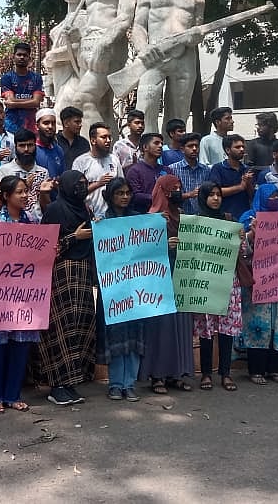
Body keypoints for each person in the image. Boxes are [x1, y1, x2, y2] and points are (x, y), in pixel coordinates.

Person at [0, 176, 42, 412]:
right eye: (19, 192)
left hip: (24, 293)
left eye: (26, 191)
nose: (24, 196)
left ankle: (12, 395)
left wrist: (49, 253)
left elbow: (39, 256)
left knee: (20, 345)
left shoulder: (33, 222)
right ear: (6, 196)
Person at [129, 0, 206, 129]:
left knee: (179, 113)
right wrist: (143, 48)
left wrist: (196, 37)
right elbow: (138, 26)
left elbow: (197, 31)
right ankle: (147, 144)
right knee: (146, 106)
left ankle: (174, 146)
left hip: (184, 57)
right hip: (155, 53)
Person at [39, 170, 96, 406]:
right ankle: (57, 385)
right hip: (61, 274)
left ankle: (71, 381)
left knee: (80, 327)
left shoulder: (85, 210)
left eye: (85, 183)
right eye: (77, 184)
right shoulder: (55, 210)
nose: (81, 188)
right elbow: (46, 246)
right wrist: (75, 237)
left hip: (82, 274)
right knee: (62, 327)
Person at [74, 0, 140, 129]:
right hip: (87, 45)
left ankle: (95, 143)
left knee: (83, 99)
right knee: (102, 107)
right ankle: (111, 146)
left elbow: (125, 18)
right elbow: (90, 16)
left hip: (109, 46)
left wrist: (104, 43)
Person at [139, 174, 194, 393]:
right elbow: (141, 253)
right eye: (173, 188)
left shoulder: (182, 215)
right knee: (162, 328)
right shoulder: (151, 218)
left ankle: (177, 374)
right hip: (159, 280)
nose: (178, 192)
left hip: (181, 276)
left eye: (180, 187)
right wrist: (163, 245)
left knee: (181, 325)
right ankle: (158, 376)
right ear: (163, 191)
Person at [239, 184, 278, 384]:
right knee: (258, 326)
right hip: (258, 283)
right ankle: (256, 370)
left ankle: (275, 369)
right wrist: (251, 235)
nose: (275, 199)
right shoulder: (249, 218)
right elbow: (241, 251)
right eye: (270, 196)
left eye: (277, 196)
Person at [95, 178, 146, 402]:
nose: (124, 197)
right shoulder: (102, 221)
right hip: (113, 287)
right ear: (110, 195)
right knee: (115, 334)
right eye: (119, 193)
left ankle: (129, 383)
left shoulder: (139, 220)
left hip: (135, 286)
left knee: (134, 333)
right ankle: (116, 384)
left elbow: (148, 248)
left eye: (127, 193)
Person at [194, 182, 242, 391]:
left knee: (226, 329)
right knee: (206, 329)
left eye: (218, 194)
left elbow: (242, 252)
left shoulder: (229, 220)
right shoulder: (195, 222)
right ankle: (206, 373)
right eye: (211, 195)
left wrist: (243, 239)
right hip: (204, 281)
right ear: (203, 198)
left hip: (227, 281)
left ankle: (225, 373)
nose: (215, 198)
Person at [44, 0, 88, 117]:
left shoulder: (83, 18)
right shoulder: (64, 21)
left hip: (73, 71)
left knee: (64, 109)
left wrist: (54, 55)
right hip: (59, 72)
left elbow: (81, 47)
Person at [0, 129, 52, 221]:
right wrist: (25, 187)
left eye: (30, 145)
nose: (26, 149)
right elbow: (0, 202)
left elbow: (46, 206)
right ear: (15, 147)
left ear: (35, 146)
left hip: (38, 223)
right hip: (12, 223)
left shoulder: (43, 172)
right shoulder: (4, 171)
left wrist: (43, 193)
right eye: (22, 145)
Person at [72, 122, 122, 218]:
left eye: (109, 137)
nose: (108, 140)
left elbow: (122, 186)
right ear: (93, 140)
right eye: (104, 137)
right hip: (89, 216)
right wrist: (98, 184)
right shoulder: (81, 162)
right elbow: (75, 193)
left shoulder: (114, 159)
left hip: (112, 216)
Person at [0, 42, 45, 135]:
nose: (22, 57)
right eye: (19, 54)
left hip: (31, 126)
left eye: (25, 55)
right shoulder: (7, 77)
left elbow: (36, 103)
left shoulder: (36, 78)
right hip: (11, 126)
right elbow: (10, 102)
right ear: (13, 57)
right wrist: (31, 101)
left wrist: (14, 103)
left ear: (29, 58)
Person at [208, 134, 254, 221]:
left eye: (243, 147)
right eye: (237, 147)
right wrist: (240, 187)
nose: (241, 149)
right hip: (224, 217)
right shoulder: (218, 168)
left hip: (244, 216)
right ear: (228, 150)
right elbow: (215, 192)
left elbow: (252, 196)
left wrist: (248, 184)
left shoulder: (247, 169)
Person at [167, 132, 210, 215]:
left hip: (202, 216)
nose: (194, 149)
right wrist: (190, 194)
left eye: (196, 146)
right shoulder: (172, 169)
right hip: (181, 216)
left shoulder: (206, 170)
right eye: (190, 146)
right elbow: (169, 195)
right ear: (182, 149)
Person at [125, 132, 166, 213]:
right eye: (156, 143)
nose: (160, 146)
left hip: (166, 215)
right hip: (143, 216)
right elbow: (136, 195)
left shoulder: (167, 170)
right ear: (145, 147)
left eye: (162, 143)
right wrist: (159, 198)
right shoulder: (134, 171)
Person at [34, 108, 65, 181]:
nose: (50, 126)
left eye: (53, 123)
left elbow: (62, 175)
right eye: (46, 123)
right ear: (37, 126)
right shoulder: (31, 149)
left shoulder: (58, 150)